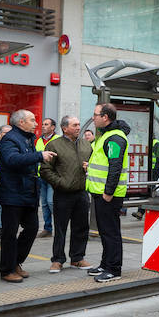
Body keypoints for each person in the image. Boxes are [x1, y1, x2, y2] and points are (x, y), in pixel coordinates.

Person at [0, 110, 55, 283]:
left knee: (32, 228)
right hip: (12, 193)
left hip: (27, 193)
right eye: (32, 120)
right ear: (21, 122)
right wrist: (39, 156)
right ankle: (7, 270)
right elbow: (12, 159)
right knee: (9, 233)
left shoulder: (27, 138)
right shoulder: (10, 139)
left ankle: (16, 262)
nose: (36, 124)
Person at [40, 114, 93, 272]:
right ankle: (57, 260)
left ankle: (77, 258)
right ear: (65, 128)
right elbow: (45, 169)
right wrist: (60, 183)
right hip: (63, 193)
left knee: (81, 227)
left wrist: (89, 167)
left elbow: (94, 164)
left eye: (78, 125)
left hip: (82, 193)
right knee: (61, 228)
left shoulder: (86, 145)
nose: (78, 127)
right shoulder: (54, 145)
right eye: (74, 125)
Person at [87, 103, 130, 283]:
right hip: (100, 192)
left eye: (96, 114)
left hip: (108, 195)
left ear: (105, 117)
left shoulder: (114, 138)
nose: (93, 118)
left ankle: (114, 269)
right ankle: (105, 264)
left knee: (111, 232)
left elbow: (115, 167)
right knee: (105, 231)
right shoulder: (106, 135)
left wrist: (108, 192)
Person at [36, 117, 57, 239]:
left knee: (51, 201)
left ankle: (59, 225)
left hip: (52, 176)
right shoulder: (38, 140)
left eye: (46, 124)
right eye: (43, 124)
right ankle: (47, 228)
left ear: (53, 127)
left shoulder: (58, 140)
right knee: (44, 204)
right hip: (40, 176)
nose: (43, 126)